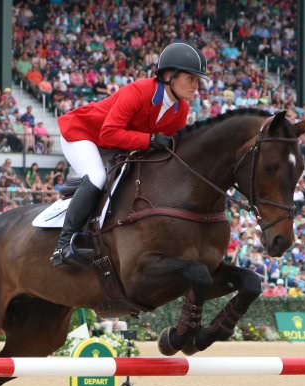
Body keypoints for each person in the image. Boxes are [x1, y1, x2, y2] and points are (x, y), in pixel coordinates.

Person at [49, 42, 207, 266]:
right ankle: (63, 246)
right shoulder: (138, 91)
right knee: (97, 177)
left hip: (116, 145)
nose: (196, 86)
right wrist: (150, 140)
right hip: (83, 134)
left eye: (197, 80)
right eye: (191, 78)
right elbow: (109, 133)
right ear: (170, 75)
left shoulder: (180, 110)